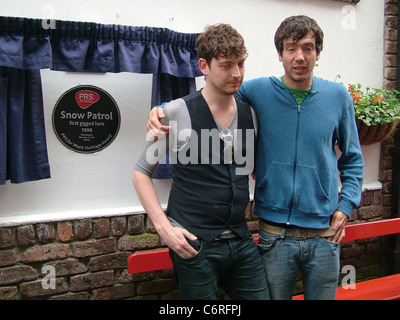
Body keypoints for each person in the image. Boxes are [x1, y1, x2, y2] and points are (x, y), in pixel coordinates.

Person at [147, 16, 364, 300]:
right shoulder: (257, 91)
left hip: (325, 236)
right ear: (280, 54)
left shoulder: (338, 97)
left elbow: (352, 158)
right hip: (275, 237)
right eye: (291, 48)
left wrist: (346, 205)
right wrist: (162, 109)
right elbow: (210, 96)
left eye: (308, 48)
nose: (299, 56)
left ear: (317, 53)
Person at [132, 23, 269, 300]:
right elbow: (141, 172)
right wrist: (164, 229)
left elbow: (248, 170)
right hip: (194, 244)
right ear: (204, 66)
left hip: (242, 242)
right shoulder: (175, 112)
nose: (237, 73)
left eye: (241, 64)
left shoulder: (250, 113)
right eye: (227, 65)